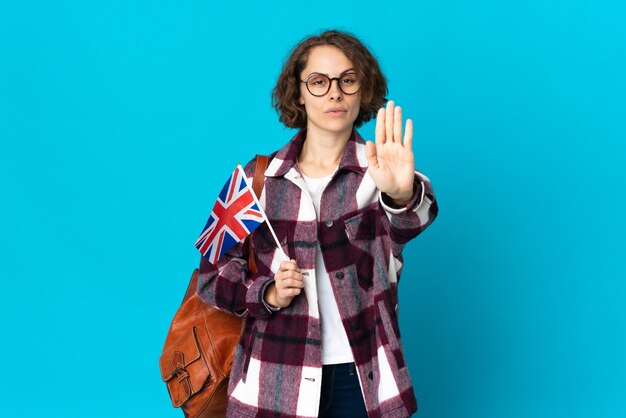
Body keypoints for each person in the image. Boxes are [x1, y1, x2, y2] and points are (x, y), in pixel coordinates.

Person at [198, 29, 438, 418]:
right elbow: (211, 279)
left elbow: (414, 219)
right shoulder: (258, 179)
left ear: (363, 89)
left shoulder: (381, 171)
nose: (334, 92)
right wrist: (267, 293)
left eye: (347, 79)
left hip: (364, 381)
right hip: (273, 380)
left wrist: (398, 193)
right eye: (318, 81)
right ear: (299, 93)